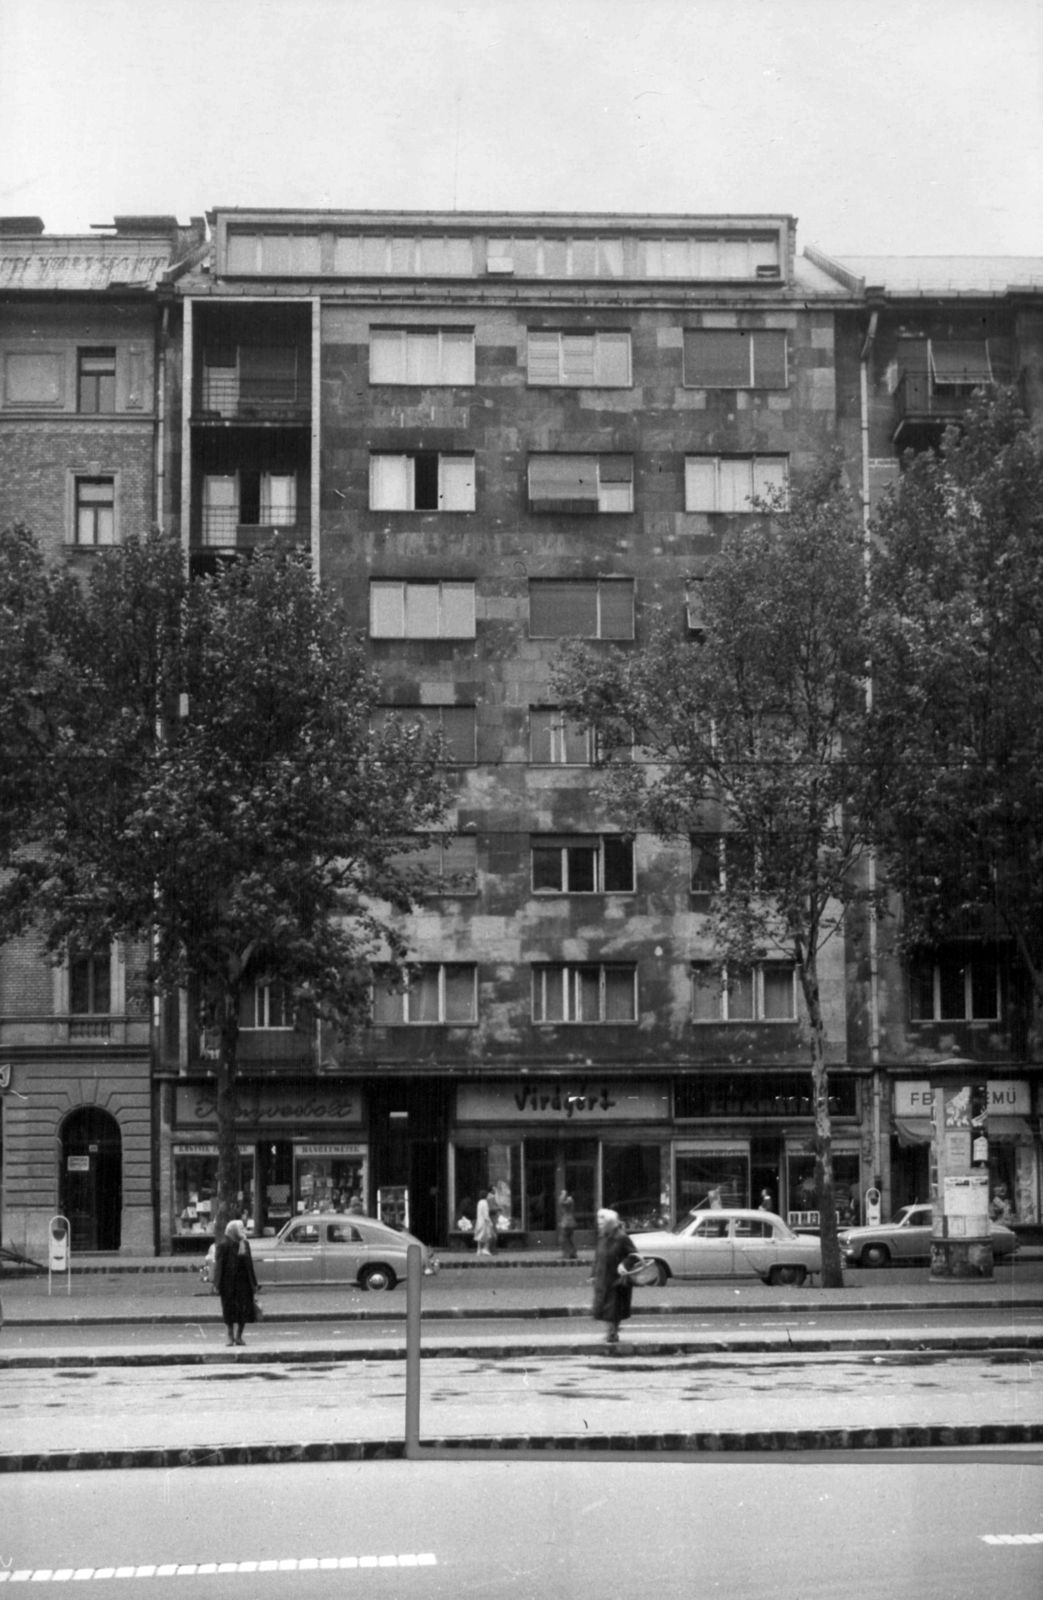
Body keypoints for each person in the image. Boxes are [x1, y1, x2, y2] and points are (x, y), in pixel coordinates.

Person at [591, 1208, 636, 1347]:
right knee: (603, 1307)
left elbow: (633, 1255)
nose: (599, 1225)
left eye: (601, 1222)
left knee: (613, 1307)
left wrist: (624, 1264)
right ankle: (611, 1330)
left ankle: (613, 1332)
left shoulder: (622, 1237)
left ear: (609, 1223)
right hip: (604, 1277)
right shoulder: (602, 1237)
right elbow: (598, 1257)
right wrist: (593, 1274)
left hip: (616, 1279)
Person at [212, 1218, 259, 1347]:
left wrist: (254, 1283)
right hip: (228, 1284)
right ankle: (230, 1336)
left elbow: (249, 1265)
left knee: (243, 1311)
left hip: (243, 1282)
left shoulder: (245, 1244)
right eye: (240, 1229)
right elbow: (219, 1266)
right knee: (229, 1311)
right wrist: (216, 1284)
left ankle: (239, 1337)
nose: (243, 1231)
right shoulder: (223, 1245)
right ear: (233, 1231)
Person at [557, 1189, 577, 1260]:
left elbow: (561, 1202)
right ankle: (572, 1252)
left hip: (568, 1223)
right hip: (568, 1222)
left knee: (563, 1238)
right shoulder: (568, 1200)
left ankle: (568, 1253)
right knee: (567, 1238)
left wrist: (563, 1194)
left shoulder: (569, 1199)